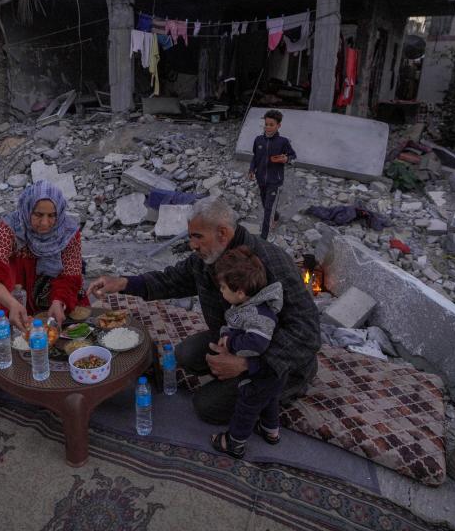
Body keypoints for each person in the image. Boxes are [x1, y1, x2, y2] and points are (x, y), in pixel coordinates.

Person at [87, 197, 320, 427]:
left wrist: (247, 366)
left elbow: (307, 334)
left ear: (222, 233)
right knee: (186, 355)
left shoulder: (271, 263)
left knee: (206, 406)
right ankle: (237, 376)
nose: (192, 245)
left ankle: (282, 390)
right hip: (236, 338)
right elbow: (171, 280)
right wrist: (123, 283)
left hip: (275, 358)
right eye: (190, 237)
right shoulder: (208, 258)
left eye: (197, 237)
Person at [0, 180, 86, 330]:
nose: (45, 223)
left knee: (70, 332)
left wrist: (59, 301)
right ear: (27, 209)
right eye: (38, 214)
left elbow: (70, 275)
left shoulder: (68, 232)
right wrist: (12, 304)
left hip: (56, 291)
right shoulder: (11, 228)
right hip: (19, 293)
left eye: (52, 215)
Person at [210, 245, 284, 458]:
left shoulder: (259, 314)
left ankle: (234, 443)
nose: (221, 291)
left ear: (240, 292)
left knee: (247, 406)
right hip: (272, 373)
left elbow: (257, 343)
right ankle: (271, 431)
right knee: (269, 399)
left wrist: (231, 342)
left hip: (263, 372)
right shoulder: (248, 305)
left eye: (223, 288)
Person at [248, 109, 297, 240]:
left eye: (271, 125)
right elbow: (255, 157)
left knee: (268, 209)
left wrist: (286, 159)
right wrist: (252, 170)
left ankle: (263, 237)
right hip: (261, 179)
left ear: (278, 126)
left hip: (275, 181)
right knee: (265, 204)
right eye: (266, 124)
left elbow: (293, 156)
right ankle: (276, 216)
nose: (268, 127)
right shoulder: (258, 140)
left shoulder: (283, 142)